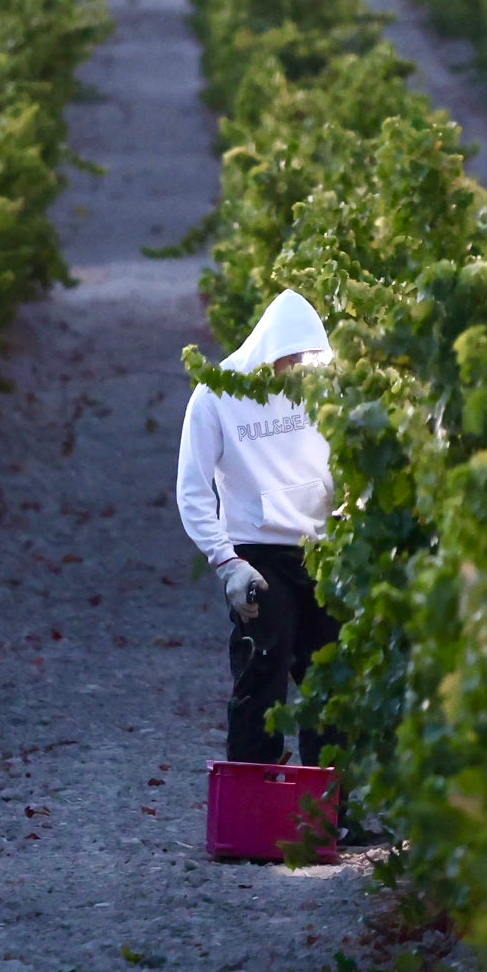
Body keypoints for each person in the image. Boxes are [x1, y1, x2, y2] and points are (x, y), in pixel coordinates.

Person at [173, 289, 339, 765]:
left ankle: (334, 813)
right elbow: (193, 489)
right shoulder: (216, 396)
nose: (296, 368)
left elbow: (351, 462)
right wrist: (228, 563)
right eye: (288, 358)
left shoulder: (327, 388)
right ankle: (254, 814)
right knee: (261, 679)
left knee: (333, 686)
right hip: (259, 556)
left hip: (324, 552)